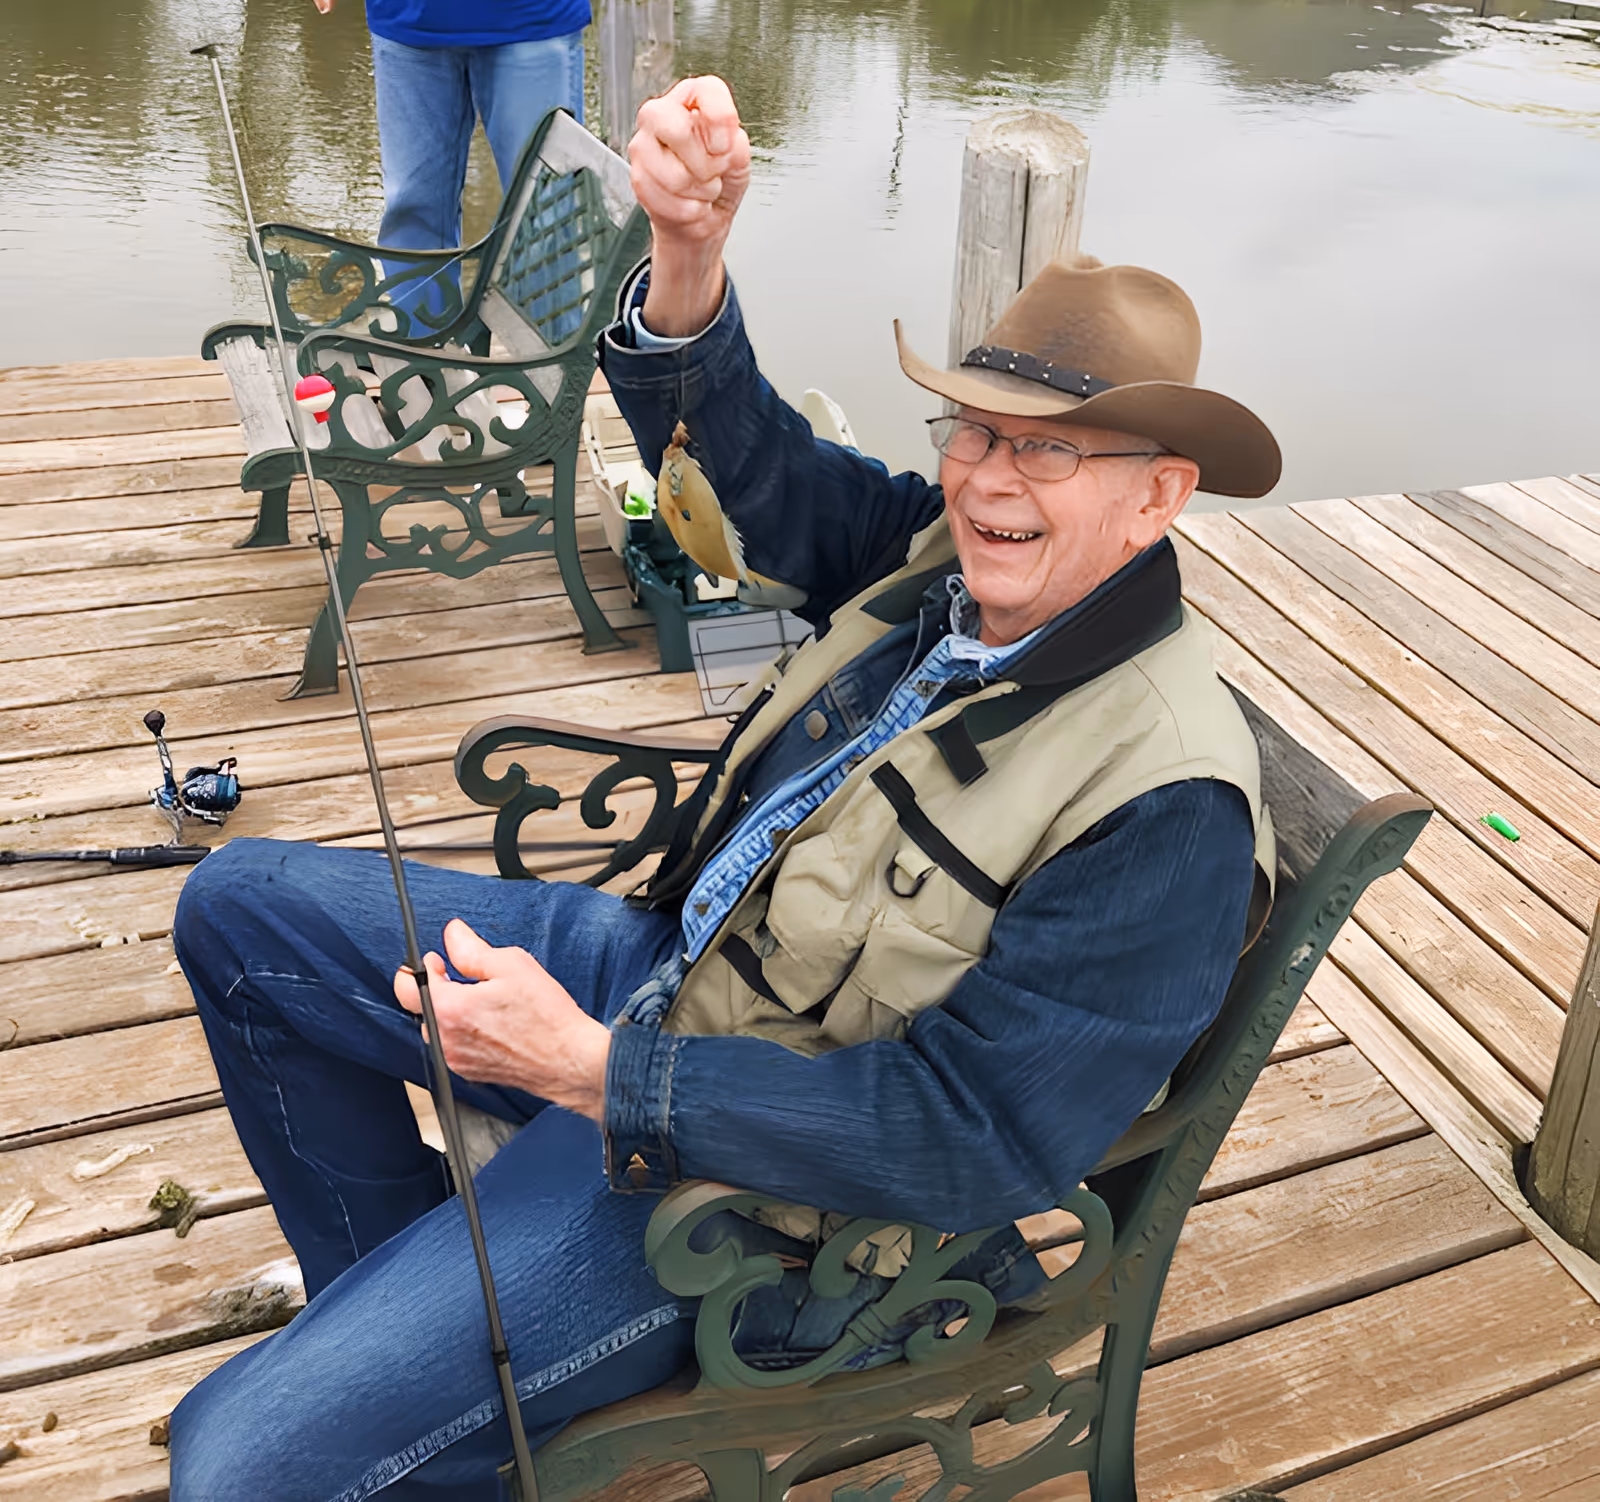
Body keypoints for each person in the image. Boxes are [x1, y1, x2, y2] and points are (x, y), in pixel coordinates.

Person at [167, 75, 1281, 1499]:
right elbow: (754, 473)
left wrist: (588, 1072)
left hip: (749, 1190)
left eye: (1047, 444)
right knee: (238, 907)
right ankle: (425, 1379)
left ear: (1161, 491)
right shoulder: (947, 558)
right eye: (973, 427)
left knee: (235, 1461)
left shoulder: (1167, 805)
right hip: (658, 968)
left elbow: (978, 1132)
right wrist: (688, 257)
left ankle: (407, 1387)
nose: (986, 475)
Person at [290, 0, 589, 269]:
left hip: (532, 3)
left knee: (548, 216)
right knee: (412, 222)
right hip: (407, 2)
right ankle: (413, 320)